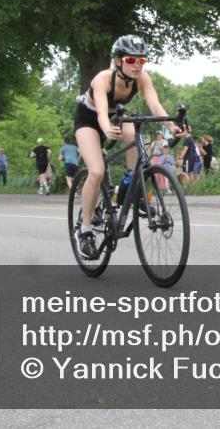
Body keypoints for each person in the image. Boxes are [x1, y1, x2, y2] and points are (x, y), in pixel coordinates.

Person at [72, 34, 181, 260]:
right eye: (131, 60)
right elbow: (101, 111)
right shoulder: (103, 79)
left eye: (141, 61)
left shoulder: (142, 78)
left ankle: (130, 184)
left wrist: (172, 126)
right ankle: (85, 230)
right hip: (90, 119)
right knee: (97, 171)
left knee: (134, 136)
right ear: (118, 60)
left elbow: (154, 104)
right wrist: (106, 128)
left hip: (117, 117)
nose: (137, 66)